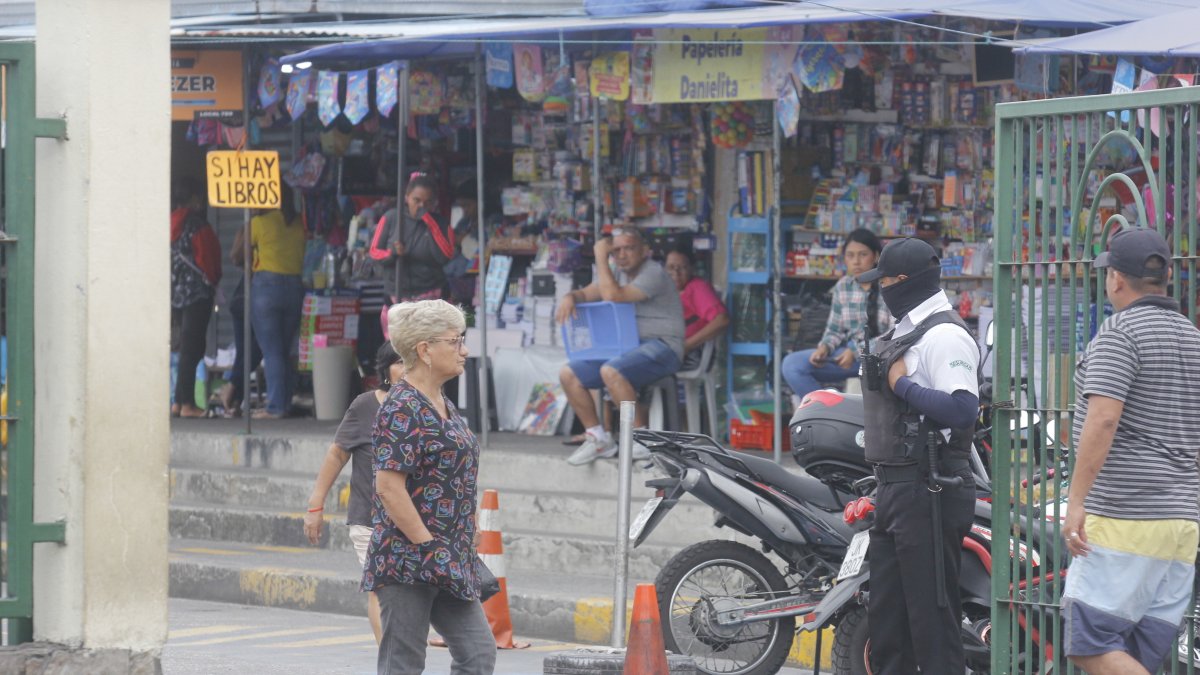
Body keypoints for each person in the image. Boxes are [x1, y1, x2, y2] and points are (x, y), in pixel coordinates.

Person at [1061, 228, 1200, 675]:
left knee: (1089, 643)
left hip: (1127, 515)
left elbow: (1103, 418)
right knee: (1135, 654)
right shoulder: (1192, 339)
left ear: (1116, 279)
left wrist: (1077, 501)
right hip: (1181, 520)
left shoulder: (1120, 334)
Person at [855, 237, 979, 674]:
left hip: (930, 490)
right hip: (896, 490)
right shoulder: (907, 331)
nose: (881, 289)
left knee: (930, 621)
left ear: (905, 281)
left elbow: (963, 410)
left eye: (884, 280)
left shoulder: (944, 336)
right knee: (889, 623)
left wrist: (901, 384)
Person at [363, 299, 495, 675]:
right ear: (424, 350)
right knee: (403, 663)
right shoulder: (402, 407)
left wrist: (467, 527)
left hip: (451, 558)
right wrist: (427, 545)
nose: (464, 351)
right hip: (409, 559)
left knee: (478, 654)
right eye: (455, 341)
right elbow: (389, 488)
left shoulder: (441, 401)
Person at [556, 227, 685, 465]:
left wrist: (600, 257)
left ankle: (640, 439)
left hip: (663, 346)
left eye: (629, 248)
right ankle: (598, 438)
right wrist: (570, 297)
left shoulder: (653, 272)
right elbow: (587, 293)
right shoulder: (615, 272)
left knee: (611, 370)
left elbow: (612, 295)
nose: (622, 255)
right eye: (616, 250)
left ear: (645, 251)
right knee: (569, 373)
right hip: (627, 348)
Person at [304, 343, 404, 644]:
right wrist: (315, 505)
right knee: (382, 587)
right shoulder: (365, 406)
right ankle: (390, 660)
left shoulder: (430, 406)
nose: (406, 369)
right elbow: (337, 455)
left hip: (414, 519)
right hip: (370, 518)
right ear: (385, 369)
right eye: (399, 362)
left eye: (411, 362)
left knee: (408, 594)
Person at [782, 228, 891, 401]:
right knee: (792, 365)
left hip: (883, 360)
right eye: (850, 255)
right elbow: (835, 329)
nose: (856, 261)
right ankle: (829, 409)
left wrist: (855, 351)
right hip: (849, 359)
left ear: (876, 256)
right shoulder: (843, 286)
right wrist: (824, 348)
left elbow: (893, 335)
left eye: (863, 254)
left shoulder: (888, 286)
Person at [369, 174, 455, 335]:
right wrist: (393, 252)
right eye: (417, 200)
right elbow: (374, 252)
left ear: (434, 203)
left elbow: (446, 255)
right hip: (398, 296)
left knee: (429, 351)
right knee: (400, 352)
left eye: (428, 202)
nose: (422, 206)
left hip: (431, 296)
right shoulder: (391, 218)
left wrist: (429, 221)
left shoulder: (441, 223)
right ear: (407, 198)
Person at [248, 183, 306, 419]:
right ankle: (284, 402)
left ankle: (275, 407)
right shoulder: (299, 223)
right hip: (294, 288)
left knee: (271, 351)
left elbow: (237, 252)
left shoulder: (259, 224)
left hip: (266, 288)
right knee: (284, 350)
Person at [170, 176, 222, 418]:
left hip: (175, 297)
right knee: (193, 348)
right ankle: (188, 403)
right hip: (196, 294)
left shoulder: (168, 223)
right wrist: (214, 279)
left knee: (184, 348)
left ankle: (179, 403)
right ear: (192, 198)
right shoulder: (197, 225)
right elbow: (209, 259)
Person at [220, 225, 264, 417]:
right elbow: (237, 257)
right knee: (255, 349)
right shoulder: (257, 228)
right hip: (251, 296)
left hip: (242, 295)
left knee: (244, 353)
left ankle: (234, 401)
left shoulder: (247, 227)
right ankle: (231, 387)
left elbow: (235, 257)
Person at [665, 247, 730, 371]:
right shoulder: (666, 289)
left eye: (682, 267)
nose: (676, 273)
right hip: (666, 348)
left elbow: (722, 320)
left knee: (636, 367)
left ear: (691, 269)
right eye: (671, 267)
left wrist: (686, 346)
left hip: (691, 353)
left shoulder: (698, 288)